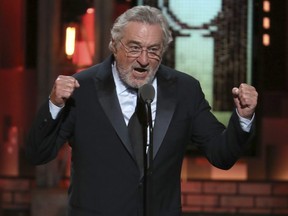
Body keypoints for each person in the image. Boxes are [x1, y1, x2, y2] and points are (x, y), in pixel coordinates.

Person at [26, 5, 258, 216]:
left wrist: (243, 118)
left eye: (153, 49)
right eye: (135, 48)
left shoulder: (185, 90)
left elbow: (222, 155)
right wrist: (54, 104)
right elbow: (39, 154)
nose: (144, 60)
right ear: (115, 46)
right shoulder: (82, 88)